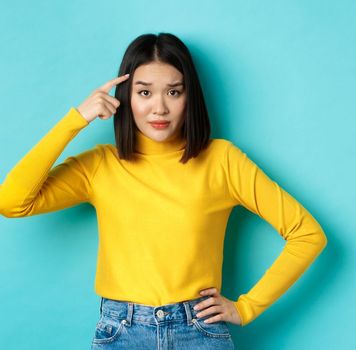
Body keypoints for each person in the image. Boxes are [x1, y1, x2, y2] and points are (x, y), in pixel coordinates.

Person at [0, 32, 328, 349]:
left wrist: (246, 307)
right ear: (125, 97)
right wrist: (76, 119)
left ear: (190, 97)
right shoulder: (101, 165)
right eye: (144, 93)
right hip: (121, 332)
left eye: (173, 92)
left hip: (198, 332)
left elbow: (307, 233)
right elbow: (12, 202)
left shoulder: (222, 161)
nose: (159, 108)